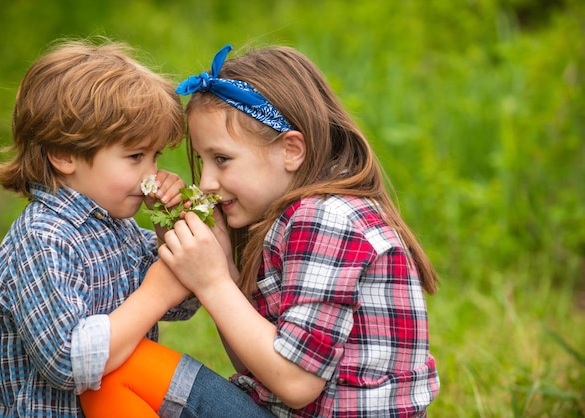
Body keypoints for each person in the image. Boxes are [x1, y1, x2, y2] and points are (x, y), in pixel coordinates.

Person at [158, 44, 441, 417]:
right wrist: (224, 264)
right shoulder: (298, 216)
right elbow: (257, 369)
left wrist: (213, 283)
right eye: (202, 160)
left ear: (291, 150)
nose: (207, 181)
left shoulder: (325, 218)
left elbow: (295, 383)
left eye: (222, 159)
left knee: (141, 370)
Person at [0, 39, 197, 417]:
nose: (152, 174)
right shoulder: (43, 239)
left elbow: (183, 303)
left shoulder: (116, 227)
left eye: (155, 156)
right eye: (135, 156)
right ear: (64, 155)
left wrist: (169, 232)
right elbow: (67, 361)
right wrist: (155, 293)